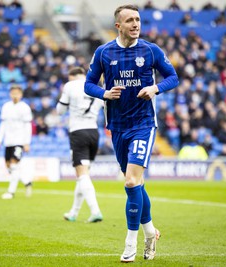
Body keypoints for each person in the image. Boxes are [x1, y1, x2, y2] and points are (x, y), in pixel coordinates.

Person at [84, 4, 179, 262]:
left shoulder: (150, 50)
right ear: (118, 25)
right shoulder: (104, 53)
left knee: (130, 182)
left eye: (137, 19)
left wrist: (155, 89)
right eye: (130, 20)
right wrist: (104, 93)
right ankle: (151, 233)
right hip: (117, 126)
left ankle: (130, 243)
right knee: (136, 184)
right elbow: (88, 84)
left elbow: (173, 77)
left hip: (143, 124)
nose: (136, 24)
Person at [56, 67, 103, 223]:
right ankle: (73, 212)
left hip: (78, 132)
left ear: (72, 76)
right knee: (83, 176)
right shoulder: (97, 86)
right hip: (94, 133)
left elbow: (60, 110)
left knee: (82, 175)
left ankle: (95, 211)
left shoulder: (70, 86)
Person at [0, 85, 33, 199]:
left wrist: (27, 142)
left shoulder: (25, 108)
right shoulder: (6, 107)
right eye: (13, 93)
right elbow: (3, 124)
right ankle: (27, 182)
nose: (15, 95)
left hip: (19, 141)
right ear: (10, 94)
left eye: (17, 93)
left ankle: (11, 192)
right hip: (8, 141)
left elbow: (28, 126)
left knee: (14, 164)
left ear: (21, 95)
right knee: (10, 167)